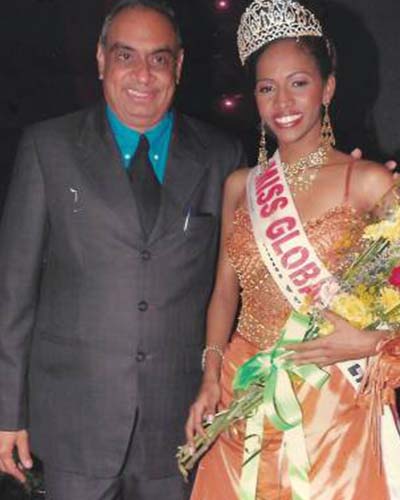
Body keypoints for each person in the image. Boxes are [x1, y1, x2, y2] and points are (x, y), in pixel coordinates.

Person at [0, 1, 244, 499]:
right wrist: (7, 412)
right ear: (100, 59)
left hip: (180, 430)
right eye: (125, 55)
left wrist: (353, 196)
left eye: (159, 58)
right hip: (72, 427)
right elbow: (13, 294)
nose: (143, 75)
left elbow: (243, 280)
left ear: (179, 65)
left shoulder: (223, 158)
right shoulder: (48, 148)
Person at [186, 0, 400, 498]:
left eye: (298, 83)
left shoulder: (368, 181)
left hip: (331, 401)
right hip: (244, 387)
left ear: (328, 88)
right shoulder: (241, 185)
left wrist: (370, 343)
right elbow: (224, 293)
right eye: (267, 88)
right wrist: (211, 376)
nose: (282, 101)